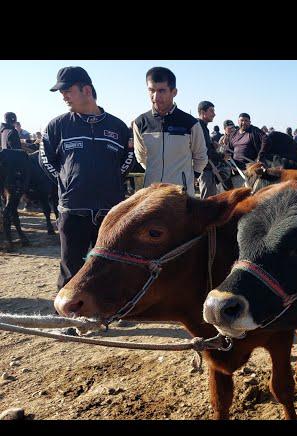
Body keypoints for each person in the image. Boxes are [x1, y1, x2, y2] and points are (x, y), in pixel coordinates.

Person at [39, 66, 134, 290]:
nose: (63, 96)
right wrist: (69, 184)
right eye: (61, 92)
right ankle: (67, 320)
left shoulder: (118, 126)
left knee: (109, 267)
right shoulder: (57, 126)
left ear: (87, 90)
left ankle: (107, 316)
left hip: (110, 213)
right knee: (71, 269)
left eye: (67, 90)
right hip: (73, 211)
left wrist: (109, 183)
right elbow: (46, 161)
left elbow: (126, 161)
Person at [133, 67, 207, 196]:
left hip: (180, 195)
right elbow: (141, 156)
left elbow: (200, 156)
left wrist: (190, 178)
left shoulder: (190, 123)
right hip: (151, 194)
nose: (155, 96)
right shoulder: (140, 122)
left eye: (162, 91)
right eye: (151, 90)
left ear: (174, 92)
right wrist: (155, 173)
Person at [196, 100, 225, 198]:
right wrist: (222, 156)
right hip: (205, 170)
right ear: (203, 113)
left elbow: (204, 147)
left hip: (207, 169)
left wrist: (212, 145)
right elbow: (204, 151)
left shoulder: (203, 127)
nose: (214, 114)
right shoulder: (199, 127)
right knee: (207, 203)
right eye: (211, 111)